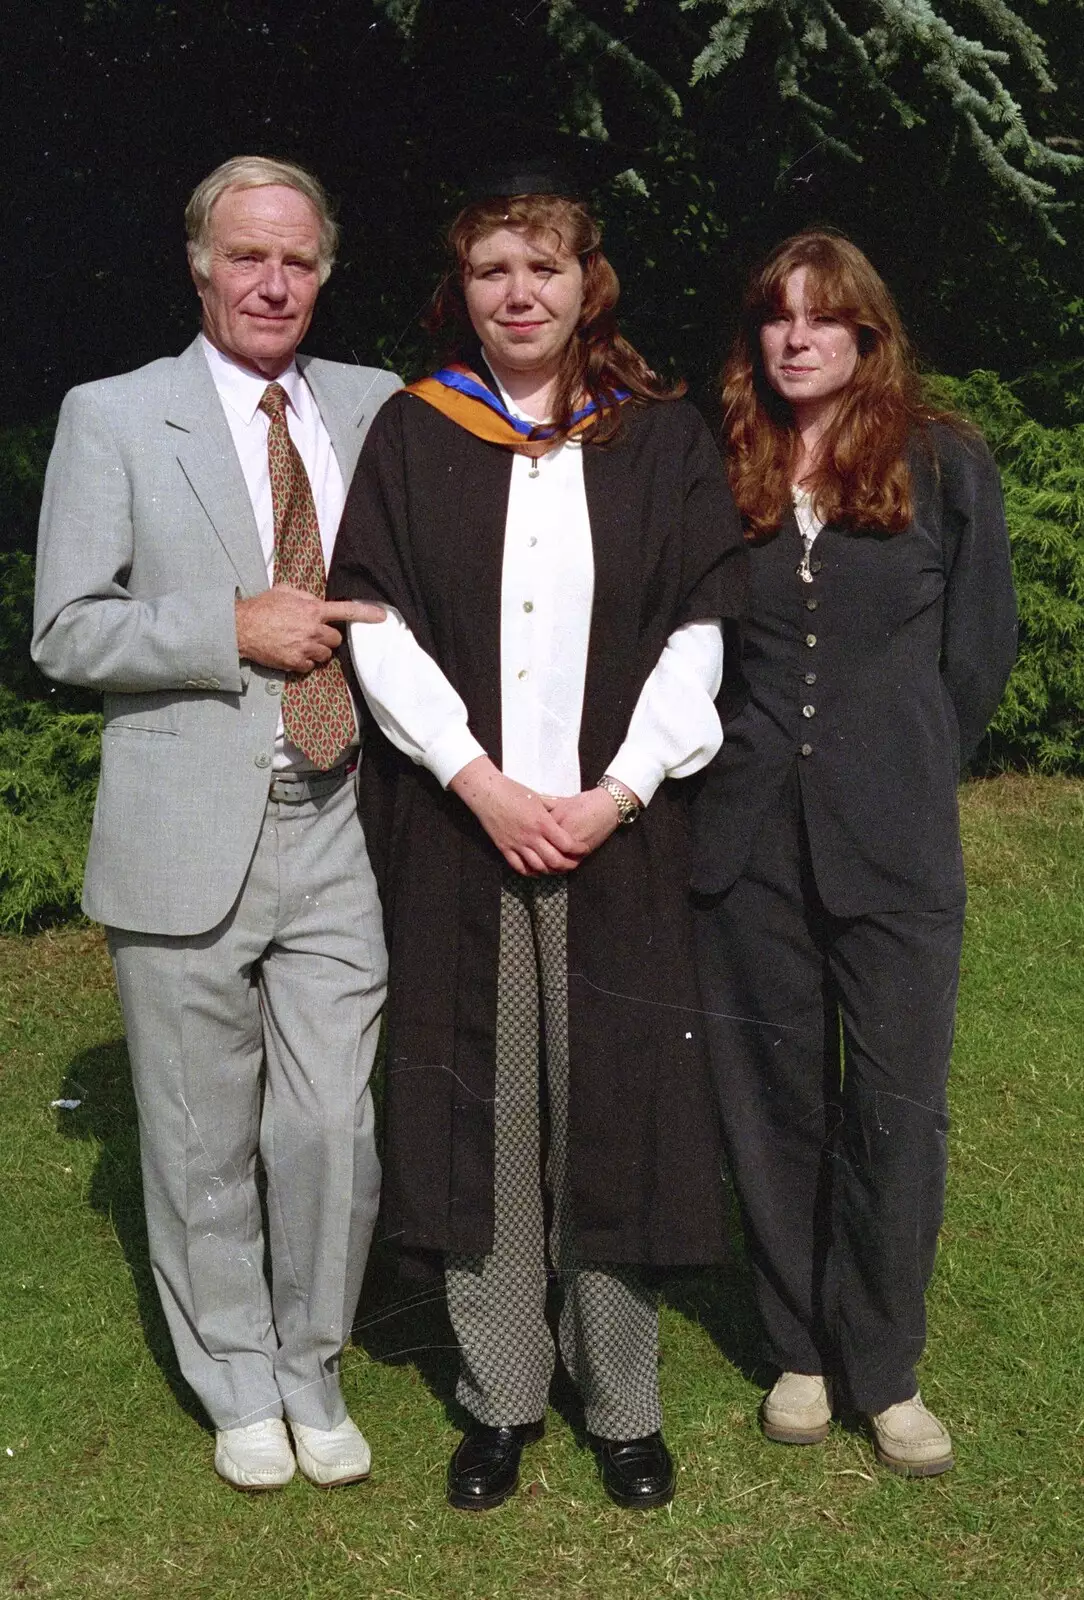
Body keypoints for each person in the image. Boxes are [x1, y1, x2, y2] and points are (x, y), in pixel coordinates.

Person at [327, 165, 747, 1511]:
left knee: (615, 1107)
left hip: (619, 835)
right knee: (485, 1115)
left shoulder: (658, 439)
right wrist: (479, 781)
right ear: (464, 292)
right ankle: (501, 1397)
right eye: (494, 270)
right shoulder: (415, 430)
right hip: (467, 835)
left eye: (544, 269)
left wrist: (618, 789)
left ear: (586, 286)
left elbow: (698, 633)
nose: (519, 293)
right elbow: (373, 625)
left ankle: (622, 1402)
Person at [32, 156, 401, 1491]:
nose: (272, 282)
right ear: (198, 264)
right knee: (196, 1130)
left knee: (329, 1130)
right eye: (246, 256)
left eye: (297, 259)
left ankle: (313, 1362)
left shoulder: (378, 408)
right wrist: (226, 631)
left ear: (326, 269)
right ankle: (235, 1376)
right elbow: (66, 627)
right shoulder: (117, 414)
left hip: (344, 818)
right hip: (185, 824)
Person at [691, 230, 1017, 1476]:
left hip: (894, 844)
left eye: (823, 318)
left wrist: (903, 760)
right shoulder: (723, 463)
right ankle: (798, 1349)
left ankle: (884, 1366)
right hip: (745, 840)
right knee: (771, 1105)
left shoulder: (943, 464)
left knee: (894, 1108)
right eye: (775, 317)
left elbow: (976, 654)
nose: (796, 338)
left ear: (866, 335)